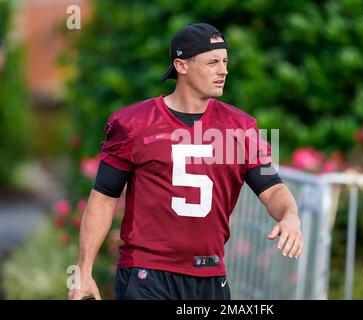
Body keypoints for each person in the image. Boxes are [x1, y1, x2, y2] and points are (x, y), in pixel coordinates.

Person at [68, 23, 303, 300]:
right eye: (213, 62)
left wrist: (290, 216)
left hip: (210, 274)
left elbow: (273, 188)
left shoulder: (242, 128)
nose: (223, 70)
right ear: (181, 66)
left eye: (225, 61)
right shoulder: (134, 124)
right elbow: (104, 198)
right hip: (147, 273)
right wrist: (84, 269)